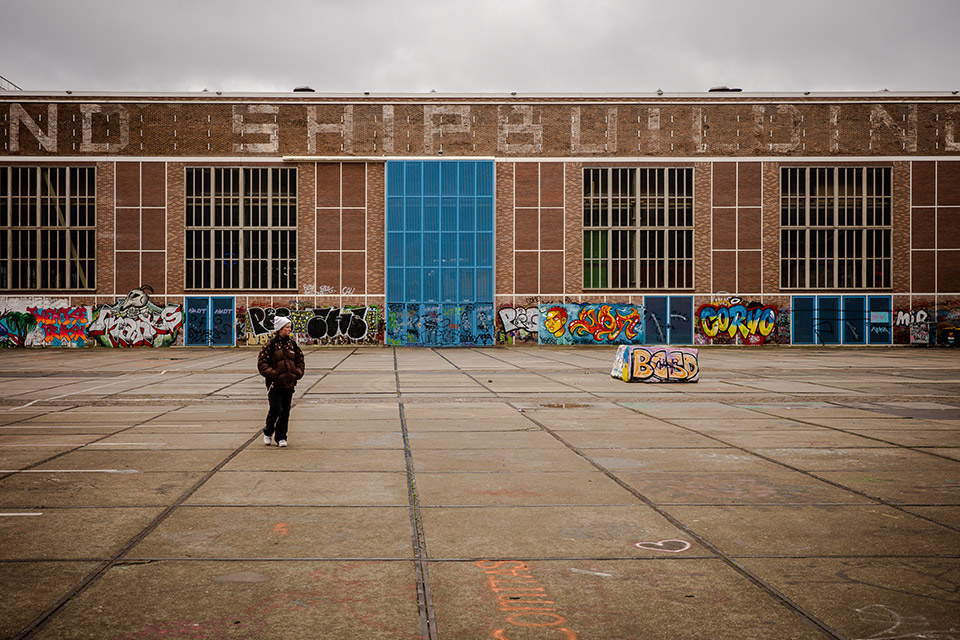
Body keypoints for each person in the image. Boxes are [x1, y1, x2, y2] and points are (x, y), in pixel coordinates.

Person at [257, 316, 304, 448]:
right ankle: (268, 432)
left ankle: (281, 437)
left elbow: (300, 360)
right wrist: (274, 375)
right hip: (275, 384)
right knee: (276, 409)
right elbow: (262, 364)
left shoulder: (292, 345)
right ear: (279, 329)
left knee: (285, 411)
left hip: (289, 383)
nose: (290, 329)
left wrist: (297, 373)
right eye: (287, 327)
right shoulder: (270, 345)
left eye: (290, 327)